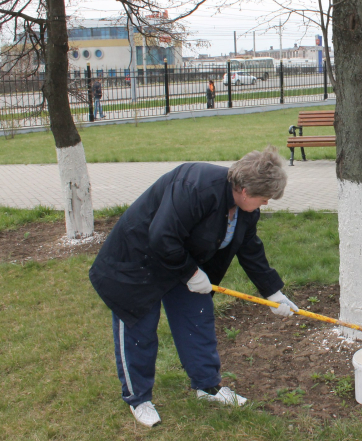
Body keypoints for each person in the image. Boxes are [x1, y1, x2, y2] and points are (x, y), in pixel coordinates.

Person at [89, 146, 297, 427]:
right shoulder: (196, 186)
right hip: (138, 262)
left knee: (197, 321)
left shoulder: (246, 210)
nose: (266, 204)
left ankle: (207, 386)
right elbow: (162, 235)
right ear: (245, 190)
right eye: (264, 198)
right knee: (140, 331)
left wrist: (273, 292)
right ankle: (139, 399)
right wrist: (190, 272)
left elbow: (249, 248)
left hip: (184, 264)